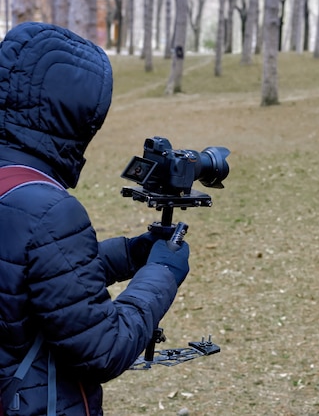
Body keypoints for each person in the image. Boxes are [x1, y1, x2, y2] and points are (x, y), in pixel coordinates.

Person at [0, 23, 190, 415]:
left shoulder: (13, 190)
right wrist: (162, 275)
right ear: (74, 113)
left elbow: (25, 281)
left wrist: (130, 253)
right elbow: (102, 348)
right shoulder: (49, 210)